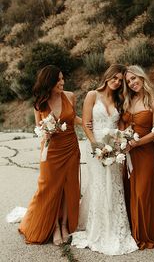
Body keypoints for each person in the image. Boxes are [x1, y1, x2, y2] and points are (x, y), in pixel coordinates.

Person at [71, 64, 138, 255]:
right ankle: (98, 228)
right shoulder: (93, 95)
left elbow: (122, 124)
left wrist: (121, 141)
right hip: (95, 146)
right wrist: (94, 144)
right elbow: (85, 122)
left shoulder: (119, 99)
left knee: (114, 184)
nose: (117, 82)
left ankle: (116, 227)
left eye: (120, 80)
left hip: (114, 146)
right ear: (107, 76)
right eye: (114, 78)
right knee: (100, 183)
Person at [18, 65, 82, 245]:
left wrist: (89, 124)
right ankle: (53, 227)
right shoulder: (40, 103)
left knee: (68, 187)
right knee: (49, 188)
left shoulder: (70, 96)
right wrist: (46, 131)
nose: (62, 82)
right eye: (58, 79)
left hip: (70, 147)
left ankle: (63, 225)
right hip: (51, 150)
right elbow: (38, 127)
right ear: (49, 81)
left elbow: (73, 118)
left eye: (62, 78)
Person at [121, 65, 154, 249]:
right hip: (127, 152)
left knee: (142, 192)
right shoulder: (127, 101)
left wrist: (137, 143)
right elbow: (121, 124)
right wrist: (122, 141)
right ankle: (130, 230)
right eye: (128, 81)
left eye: (134, 79)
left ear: (142, 77)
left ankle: (144, 233)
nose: (132, 83)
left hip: (144, 152)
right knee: (128, 189)